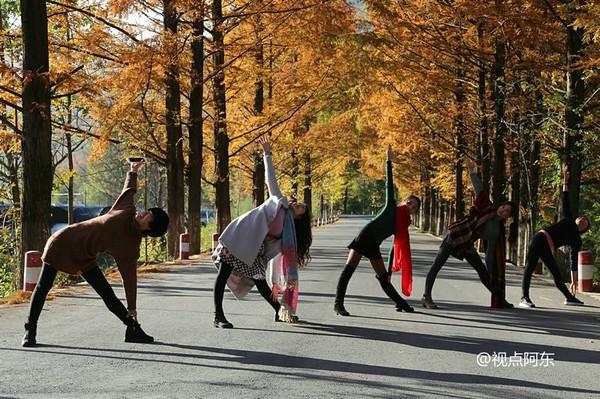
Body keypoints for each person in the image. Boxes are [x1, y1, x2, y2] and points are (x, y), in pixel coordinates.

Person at [21, 161, 169, 347]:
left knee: (107, 294)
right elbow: (129, 189)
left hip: (84, 257)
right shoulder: (126, 210)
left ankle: (133, 328)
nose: (144, 212)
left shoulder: (130, 247)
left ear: (151, 227)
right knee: (43, 287)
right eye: (148, 210)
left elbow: (129, 277)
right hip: (63, 243)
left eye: (150, 215)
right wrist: (133, 170)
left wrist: (132, 307)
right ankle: (30, 331)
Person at [212, 136, 312, 328]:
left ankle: (279, 311)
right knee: (224, 273)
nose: (297, 204)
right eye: (299, 203)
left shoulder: (288, 232)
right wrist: (267, 154)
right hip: (240, 236)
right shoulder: (279, 202)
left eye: (301, 208)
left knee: (259, 279)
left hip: (255, 248)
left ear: (300, 218)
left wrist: (278, 277)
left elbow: (277, 253)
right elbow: (271, 180)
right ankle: (218, 316)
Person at [334, 145, 420, 316]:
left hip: (374, 243)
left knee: (383, 277)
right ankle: (338, 305)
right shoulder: (391, 208)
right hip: (365, 236)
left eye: (414, 206)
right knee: (348, 271)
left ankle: (401, 304)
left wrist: (389, 268)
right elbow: (389, 184)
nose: (410, 205)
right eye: (409, 202)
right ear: (404, 201)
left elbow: (395, 246)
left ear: (414, 212)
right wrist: (389, 161)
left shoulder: (405, 223)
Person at [421, 159, 516, 309]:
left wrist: (490, 270)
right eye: (504, 207)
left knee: (483, 272)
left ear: (507, 217)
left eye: (507, 212)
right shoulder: (486, 205)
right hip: (455, 235)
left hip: (467, 243)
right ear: (501, 205)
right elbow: (479, 189)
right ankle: (426, 297)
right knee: (436, 265)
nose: (503, 210)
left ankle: (500, 299)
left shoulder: (496, 230)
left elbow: (490, 252)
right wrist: (472, 172)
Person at [520, 165, 590, 308]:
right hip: (540, 238)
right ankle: (524, 298)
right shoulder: (568, 218)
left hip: (545, 245)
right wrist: (565, 179)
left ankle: (569, 297)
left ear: (583, 229)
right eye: (582, 218)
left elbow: (573, 259)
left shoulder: (576, 239)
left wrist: (574, 280)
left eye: (585, 222)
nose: (582, 219)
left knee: (555, 273)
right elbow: (565, 198)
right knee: (530, 267)